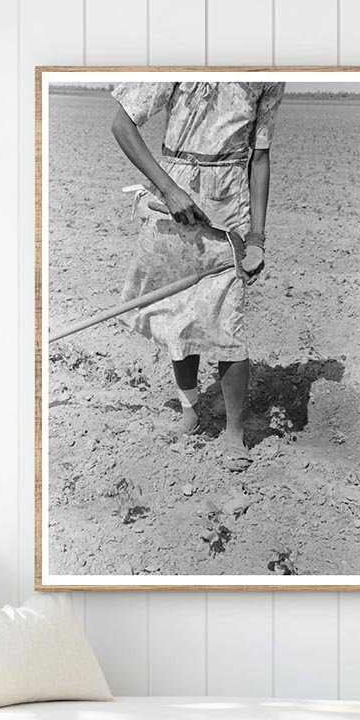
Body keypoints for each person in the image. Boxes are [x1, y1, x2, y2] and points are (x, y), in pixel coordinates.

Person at [111, 80, 286, 471]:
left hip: (229, 213)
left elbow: (259, 158)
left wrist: (257, 236)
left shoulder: (268, 74)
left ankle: (234, 433)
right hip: (172, 202)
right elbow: (122, 124)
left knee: (228, 323)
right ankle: (190, 412)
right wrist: (170, 191)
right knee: (177, 315)